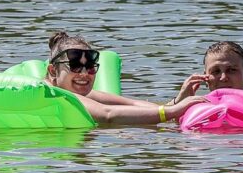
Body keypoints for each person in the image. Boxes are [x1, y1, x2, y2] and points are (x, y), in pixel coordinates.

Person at [45, 31, 205, 125]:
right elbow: (107, 114)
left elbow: (132, 103)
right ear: (53, 71)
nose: (84, 73)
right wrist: (172, 112)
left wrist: (177, 102)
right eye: (75, 66)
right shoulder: (51, 92)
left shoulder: (74, 91)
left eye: (91, 67)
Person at [169, 41, 243, 105]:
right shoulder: (196, 107)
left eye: (231, 70)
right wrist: (179, 102)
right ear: (205, 77)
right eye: (215, 71)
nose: (223, 78)